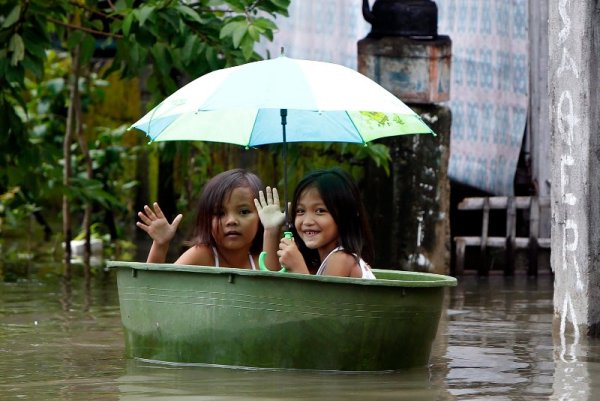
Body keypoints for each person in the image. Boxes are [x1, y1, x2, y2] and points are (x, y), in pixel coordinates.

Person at [137, 168, 282, 270]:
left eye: (244, 212)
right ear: (206, 219)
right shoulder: (201, 255)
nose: (231, 220)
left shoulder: (261, 258)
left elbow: (274, 288)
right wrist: (160, 245)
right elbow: (155, 289)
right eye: (220, 213)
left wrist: (271, 230)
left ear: (260, 217)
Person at [274, 168, 376, 279]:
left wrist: (298, 268)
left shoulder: (341, 259)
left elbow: (318, 297)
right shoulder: (320, 263)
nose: (307, 221)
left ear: (346, 214)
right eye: (300, 211)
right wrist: (271, 230)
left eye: (320, 211)